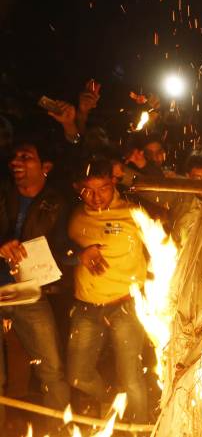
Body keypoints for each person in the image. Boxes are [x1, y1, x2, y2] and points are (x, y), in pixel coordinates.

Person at [66, 157, 148, 423]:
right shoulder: (75, 213)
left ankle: (140, 429)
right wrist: (79, 253)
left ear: (113, 183)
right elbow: (60, 249)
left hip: (125, 304)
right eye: (88, 190)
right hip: (86, 305)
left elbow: (162, 242)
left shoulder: (134, 213)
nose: (95, 197)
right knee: (77, 375)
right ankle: (114, 404)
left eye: (102, 188)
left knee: (131, 377)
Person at [0, 131, 71, 430]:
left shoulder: (58, 202)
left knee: (51, 368)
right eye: (15, 157)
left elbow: (65, 247)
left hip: (30, 293)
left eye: (26, 157)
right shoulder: (2, 193)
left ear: (46, 167)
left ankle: (64, 428)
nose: (17, 161)